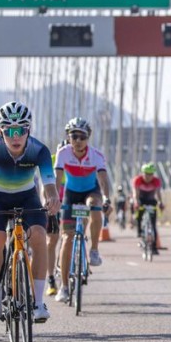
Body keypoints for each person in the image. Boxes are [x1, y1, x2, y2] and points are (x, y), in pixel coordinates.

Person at [0, 101, 60, 323]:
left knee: (40, 237)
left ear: (28, 131)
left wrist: (52, 197)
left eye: (21, 130)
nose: (16, 137)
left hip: (27, 196)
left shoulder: (39, 150)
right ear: (0, 131)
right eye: (10, 131)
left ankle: (38, 302)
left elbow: (48, 183)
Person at [54, 117, 112, 303]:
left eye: (82, 136)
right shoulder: (63, 153)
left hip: (90, 191)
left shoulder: (96, 155)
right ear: (68, 137)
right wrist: (54, 200)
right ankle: (63, 287)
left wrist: (107, 198)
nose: (78, 140)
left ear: (88, 138)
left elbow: (103, 180)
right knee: (67, 239)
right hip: (71, 194)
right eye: (74, 136)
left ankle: (94, 250)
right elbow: (56, 179)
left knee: (94, 206)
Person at [45, 139, 69, 297]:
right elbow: (44, 184)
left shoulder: (77, 161)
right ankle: (51, 279)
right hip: (53, 203)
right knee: (52, 240)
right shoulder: (51, 161)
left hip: (69, 203)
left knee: (70, 236)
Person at [132, 162, 164, 253]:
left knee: (153, 224)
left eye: (151, 174)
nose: (148, 176)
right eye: (146, 174)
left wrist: (160, 202)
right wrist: (136, 202)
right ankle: (139, 232)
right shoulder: (137, 180)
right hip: (141, 199)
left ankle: (154, 247)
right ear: (142, 173)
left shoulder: (156, 181)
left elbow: (158, 194)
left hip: (151, 200)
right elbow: (135, 193)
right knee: (139, 214)